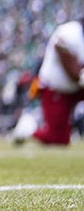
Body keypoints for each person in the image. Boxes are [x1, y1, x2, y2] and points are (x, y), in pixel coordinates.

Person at [14, 18, 84, 146]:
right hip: (57, 88)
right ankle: (28, 130)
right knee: (58, 139)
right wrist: (79, 73)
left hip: (76, 87)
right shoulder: (70, 32)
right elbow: (74, 73)